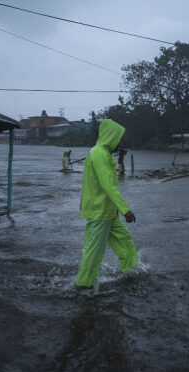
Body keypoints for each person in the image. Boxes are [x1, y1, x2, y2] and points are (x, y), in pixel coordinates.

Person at [74, 119, 137, 290]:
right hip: (100, 213)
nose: (121, 143)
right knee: (93, 253)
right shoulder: (99, 154)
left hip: (109, 212)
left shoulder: (104, 153)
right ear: (111, 137)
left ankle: (132, 271)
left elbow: (92, 184)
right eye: (119, 138)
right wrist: (126, 210)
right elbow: (108, 186)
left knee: (125, 241)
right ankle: (82, 286)